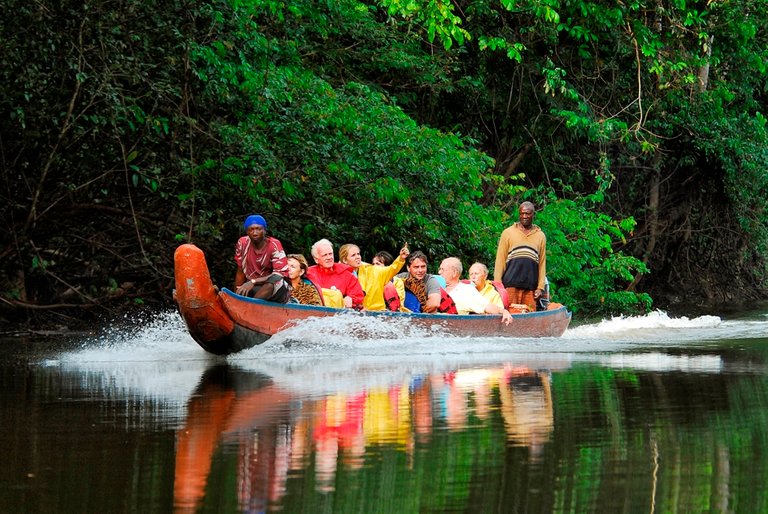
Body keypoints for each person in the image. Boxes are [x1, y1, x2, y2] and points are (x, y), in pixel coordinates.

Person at [494, 201, 546, 312]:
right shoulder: (508, 233)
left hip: (530, 287)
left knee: (529, 319)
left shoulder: (540, 236)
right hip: (510, 285)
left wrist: (540, 288)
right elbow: (500, 261)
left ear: (533, 214)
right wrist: (497, 284)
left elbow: (542, 263)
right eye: (522, 214)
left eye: (528, 214)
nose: (524, 216)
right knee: (509, 316)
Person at [233, 214, 290, 302]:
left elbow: (279, 275)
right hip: (254, 286)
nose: (255, 233)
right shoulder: (242, 243)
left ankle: (251, 307)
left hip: (273, 286)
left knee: (272, 283)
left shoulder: (274, 245)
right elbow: (240, 271)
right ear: (247, 232)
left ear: (264, 230)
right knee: (241, 292)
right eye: (251, 229)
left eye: (258, 229)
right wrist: (236, 293)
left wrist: (253, 281)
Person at [439, 257, 512, 324]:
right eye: (440, 269)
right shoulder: (436, 287)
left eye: (442, 269)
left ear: (454, 273)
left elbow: (486, 306)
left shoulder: (466, 290)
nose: (439, 272)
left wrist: (503, 311)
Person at [339, 243, 409, 311]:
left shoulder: (372, 269)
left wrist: (401, 258)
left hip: (376, 312)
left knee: (389, 287)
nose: (358, 257)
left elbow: (391, 269)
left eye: (358, 254)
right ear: (345, 260)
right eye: (353, 255)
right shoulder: (338, 274)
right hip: (352, 313)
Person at [305, 239, 365, 309]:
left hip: (341, 315)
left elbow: (358, 295)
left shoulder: (346, 273)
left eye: (330, 254)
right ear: (316, 259)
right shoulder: (308, 273)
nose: (329, 257)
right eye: (325, 255)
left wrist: (351, 298)